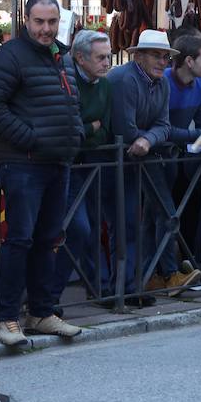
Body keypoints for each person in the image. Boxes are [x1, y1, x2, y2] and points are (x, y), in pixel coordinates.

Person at [0, 0, 85, 345]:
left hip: (57, 160)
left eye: (52, 22)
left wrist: (75, 133)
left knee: (48, 240)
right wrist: (29, 137)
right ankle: (6, 317)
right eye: (39, 22)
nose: (46, 29)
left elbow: (72, 101)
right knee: (20, 239)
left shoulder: (63, 56)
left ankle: (41, 312)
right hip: (23, 162)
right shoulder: (9, 56)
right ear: (26, 20)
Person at [107, 30, 188, 304]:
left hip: (139, 157)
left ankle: (130, 286)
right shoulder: (125, 80)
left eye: (165, 56)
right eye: (156, 55)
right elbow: (124, 129)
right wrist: (145, 137)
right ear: (138, 55)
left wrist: (147, 138)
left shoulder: (162, 83)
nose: (162, 61)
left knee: (132, 222)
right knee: (119, 223)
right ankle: (118, 288)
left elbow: (163, 126)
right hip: (111, 160)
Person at [54, 29, 115, 307]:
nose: (106, 63)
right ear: (80, 57)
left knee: (92, 225)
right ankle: (50, 293)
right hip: (68, 163)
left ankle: (99, 285)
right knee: (78, 227)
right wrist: (89, 128)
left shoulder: (104, 84)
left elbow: (105, 127)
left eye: (109, 57)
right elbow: (73, 127)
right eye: (101, 57)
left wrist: (89, 129)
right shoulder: (65, 79)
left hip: (93, 162)